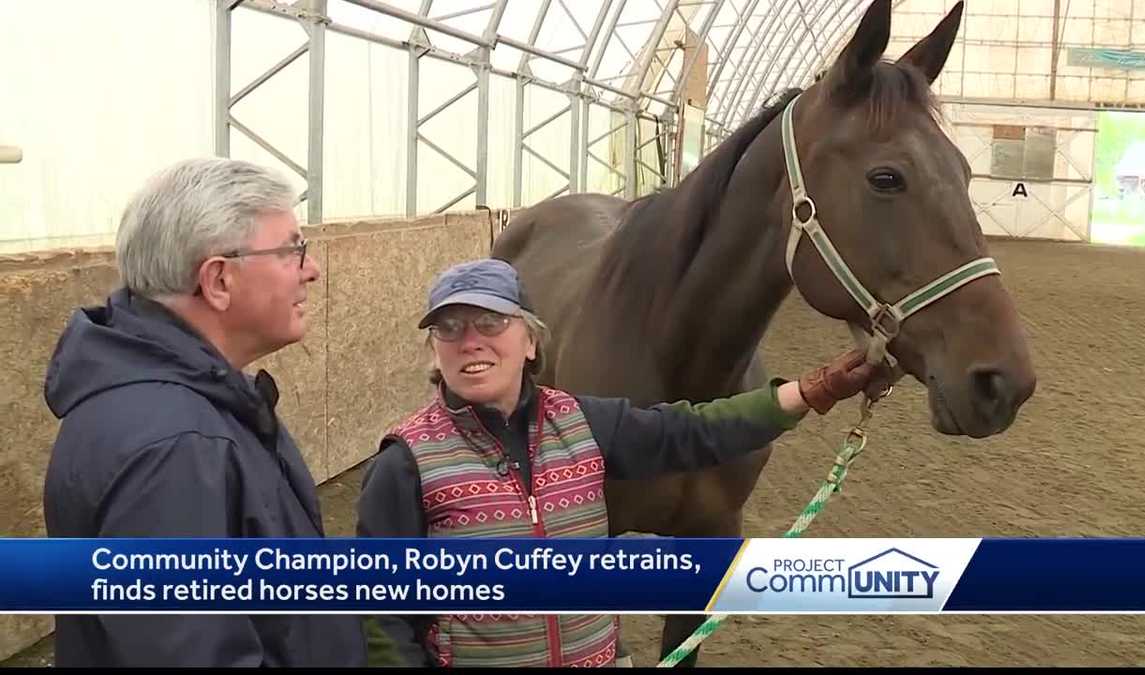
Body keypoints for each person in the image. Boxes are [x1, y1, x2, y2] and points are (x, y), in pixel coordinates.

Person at [356, 258, 886, 668]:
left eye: (490, 321)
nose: (470, 340)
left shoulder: (584, 422)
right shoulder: (405, 463)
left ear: (531, 340)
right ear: (433, 352)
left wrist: (815, 390)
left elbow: (694, 432)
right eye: (449, 328)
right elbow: (382, 620)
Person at [42, 158, 366, 667]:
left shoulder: (195, 403)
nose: (312, 269)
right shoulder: (176, 446)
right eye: (291, 249)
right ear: (218, 280)